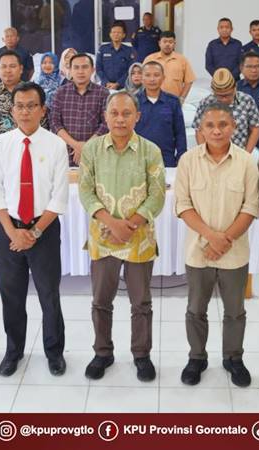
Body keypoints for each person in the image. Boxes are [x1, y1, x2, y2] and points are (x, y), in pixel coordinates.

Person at [79, 91, 165, 382]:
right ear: (105, 116)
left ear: (137, 117)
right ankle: (102, 352)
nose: (119, 118)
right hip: (102, 238)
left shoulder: (150, 151)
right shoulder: (91, 149)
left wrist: (129, 223)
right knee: (101, 300)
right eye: (114, 113)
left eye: (126, 113)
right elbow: (85, 191)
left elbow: (157, 195)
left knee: (141, 302)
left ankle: (141, 354)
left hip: (138, 238)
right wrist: (111, 223)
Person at [175, 102, 259, 387]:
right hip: (198, 252)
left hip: (234, 254)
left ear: (234, 127)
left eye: (223, 124)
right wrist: (212, 238)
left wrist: (224, 241)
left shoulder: (247, 162)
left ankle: (233, 358)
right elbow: (183, 205)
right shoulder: (188, 161)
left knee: (235, 310)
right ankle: (196, 357)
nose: (216, 130)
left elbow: (251, 207)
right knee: (195, 309)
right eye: (210, 125)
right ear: (200, 130)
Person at [0, 82, 69, 377]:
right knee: (11, 295)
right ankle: (13, 351)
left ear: (42, 110)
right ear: (12, 110)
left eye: (31, 105)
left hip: (44, 232)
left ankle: (54, 352)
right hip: (9, 230)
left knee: (49, 295)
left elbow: (59, 197)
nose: (25, 111)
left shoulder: (56, 145)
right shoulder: (0, 144)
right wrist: (13, 233)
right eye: (20, 106)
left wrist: (33, 234)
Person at [50, 53, 109, 166]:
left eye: (85, 67)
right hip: (66, 153)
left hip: (95, 153)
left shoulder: (103, 93)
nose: (80, 71)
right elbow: (54, 122)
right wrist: (76, 145)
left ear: (93, 70)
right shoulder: (60, 93)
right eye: (76, 67)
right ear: (70, 70)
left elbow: (106, 123)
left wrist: (86, 146)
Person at [193, 68, 259, 153]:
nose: (224, 99)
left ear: (235, 87)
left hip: (239, 154)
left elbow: (255, 129)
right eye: (220, 96)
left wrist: (246, 155)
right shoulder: (205, 103)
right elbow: (199, 131)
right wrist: (205, 154)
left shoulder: (246, 100)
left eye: (228, 95)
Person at [134, 61, 186, 167]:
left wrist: (181, 157)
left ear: (163, 77)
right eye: (148, 75)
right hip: (137, 159)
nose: (152, 79)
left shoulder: (173, 101)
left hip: (166, 159)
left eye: (156, 75)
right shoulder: (133, 101)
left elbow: (180, 132)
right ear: (142, 78)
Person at [144, 31, 196, 103]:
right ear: (159, 43)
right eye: (164, 42)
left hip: (174, 102)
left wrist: (182, 98)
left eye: (170, 42)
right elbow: (142, 79)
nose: (167, 44)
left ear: (174, 44)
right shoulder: (150, 59)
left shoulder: (182, 60)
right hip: (153, 101)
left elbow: (189, 81)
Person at [96, 20, 137, 90]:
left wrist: (118, 83)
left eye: (119, 32)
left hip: (123, 87)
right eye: (114, 32)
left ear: (123, 35)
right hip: (105, 87)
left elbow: (130, 70)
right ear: (110, 34)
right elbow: (99, 68)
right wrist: (106, 83)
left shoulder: (129, 50)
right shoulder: (103, 49)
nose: (116, 34)